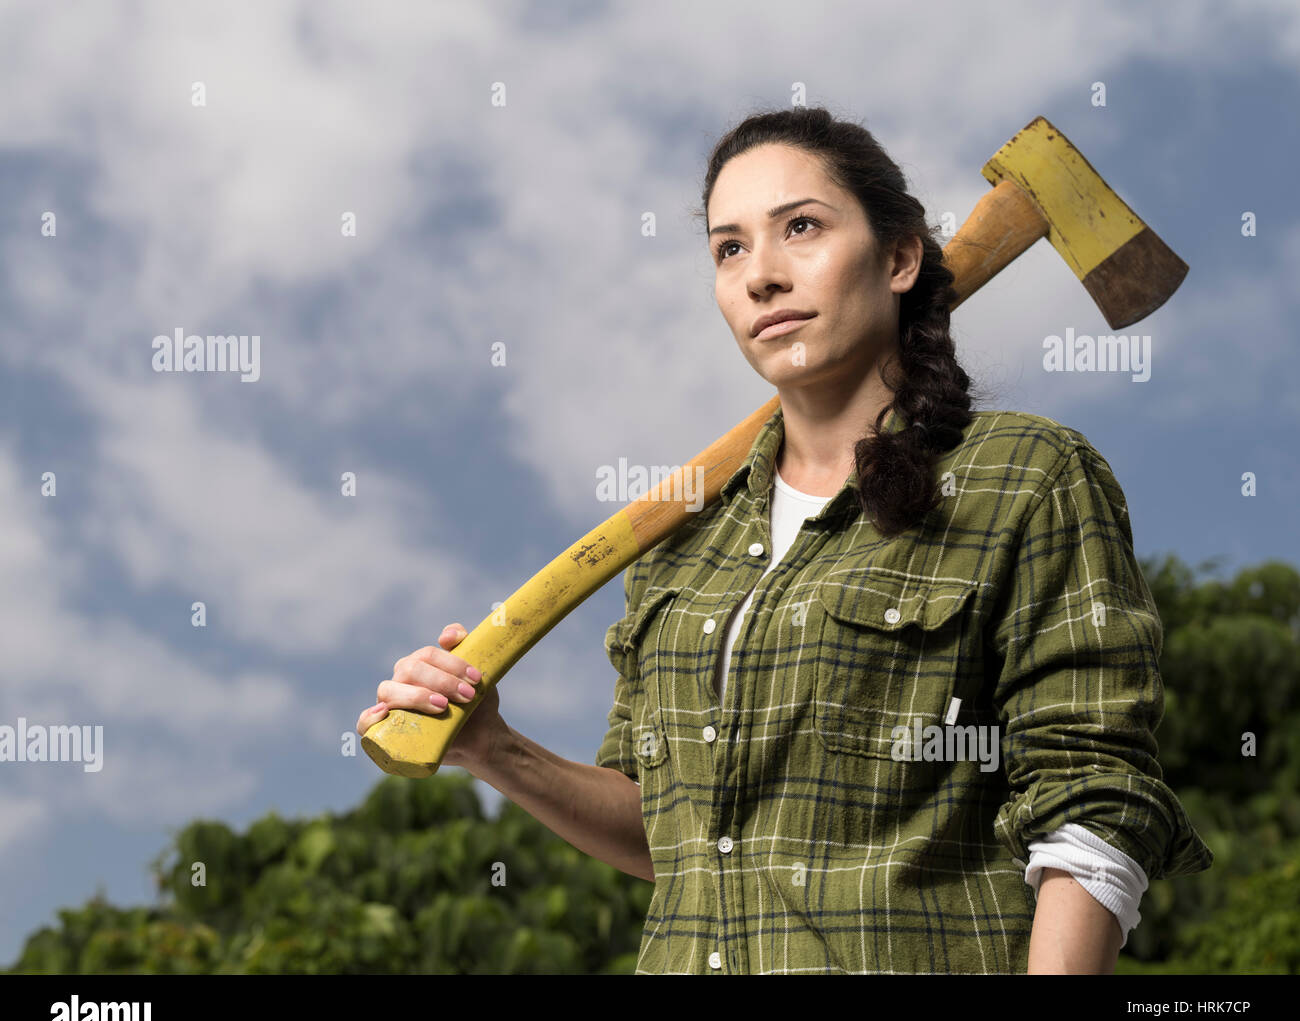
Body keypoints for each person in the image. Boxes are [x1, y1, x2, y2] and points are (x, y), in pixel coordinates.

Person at [358, 106, 1212, 975]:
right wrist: (492, 748)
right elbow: (670, 831)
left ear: (900, 258)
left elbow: (1092, 800)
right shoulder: (681, 547)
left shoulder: (1025, 476)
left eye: (800, 227)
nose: (761, 275)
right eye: (729, 249)